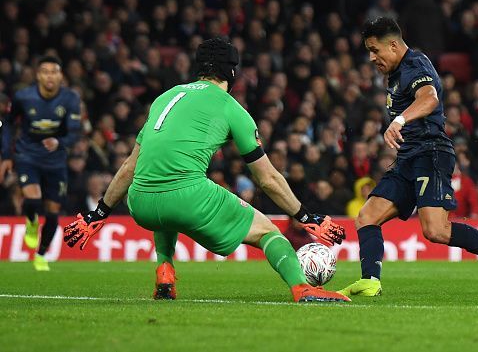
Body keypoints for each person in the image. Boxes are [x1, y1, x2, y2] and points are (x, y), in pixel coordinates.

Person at [63, 38, 349, 303]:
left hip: (139, 201)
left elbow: (130, 166)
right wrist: (305, 215)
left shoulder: (166, 97)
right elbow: (268, 178)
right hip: (188, 198)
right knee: (268, 232)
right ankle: (302, 288)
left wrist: (99, 213)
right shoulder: (230, 107)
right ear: (231, 73)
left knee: (165, 211)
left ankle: (165, 269)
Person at [338, 18, 478, 298]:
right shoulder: (395, 74)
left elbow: (429, 98)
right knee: (366, 217)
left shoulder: (415, 65)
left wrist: (399, 120)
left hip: (431, 153)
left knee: (436, 230)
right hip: (408, 157)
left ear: (393, 45)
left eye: (375, 50)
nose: (372, 58)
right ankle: (370, 280)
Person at [0, 56, 81, 271]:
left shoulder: (70, 99)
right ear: (38, 75)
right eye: (45, 71)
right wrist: (6, 155)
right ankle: (31, 221)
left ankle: (41, 254)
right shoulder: (23, 97)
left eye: (54, 71)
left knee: (53, 212)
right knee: (33, 200)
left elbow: (74, 132)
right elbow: (7, 123)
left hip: (56, 161)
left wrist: (59, 141)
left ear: (60, 75)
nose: (50, 76)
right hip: (28, 155)